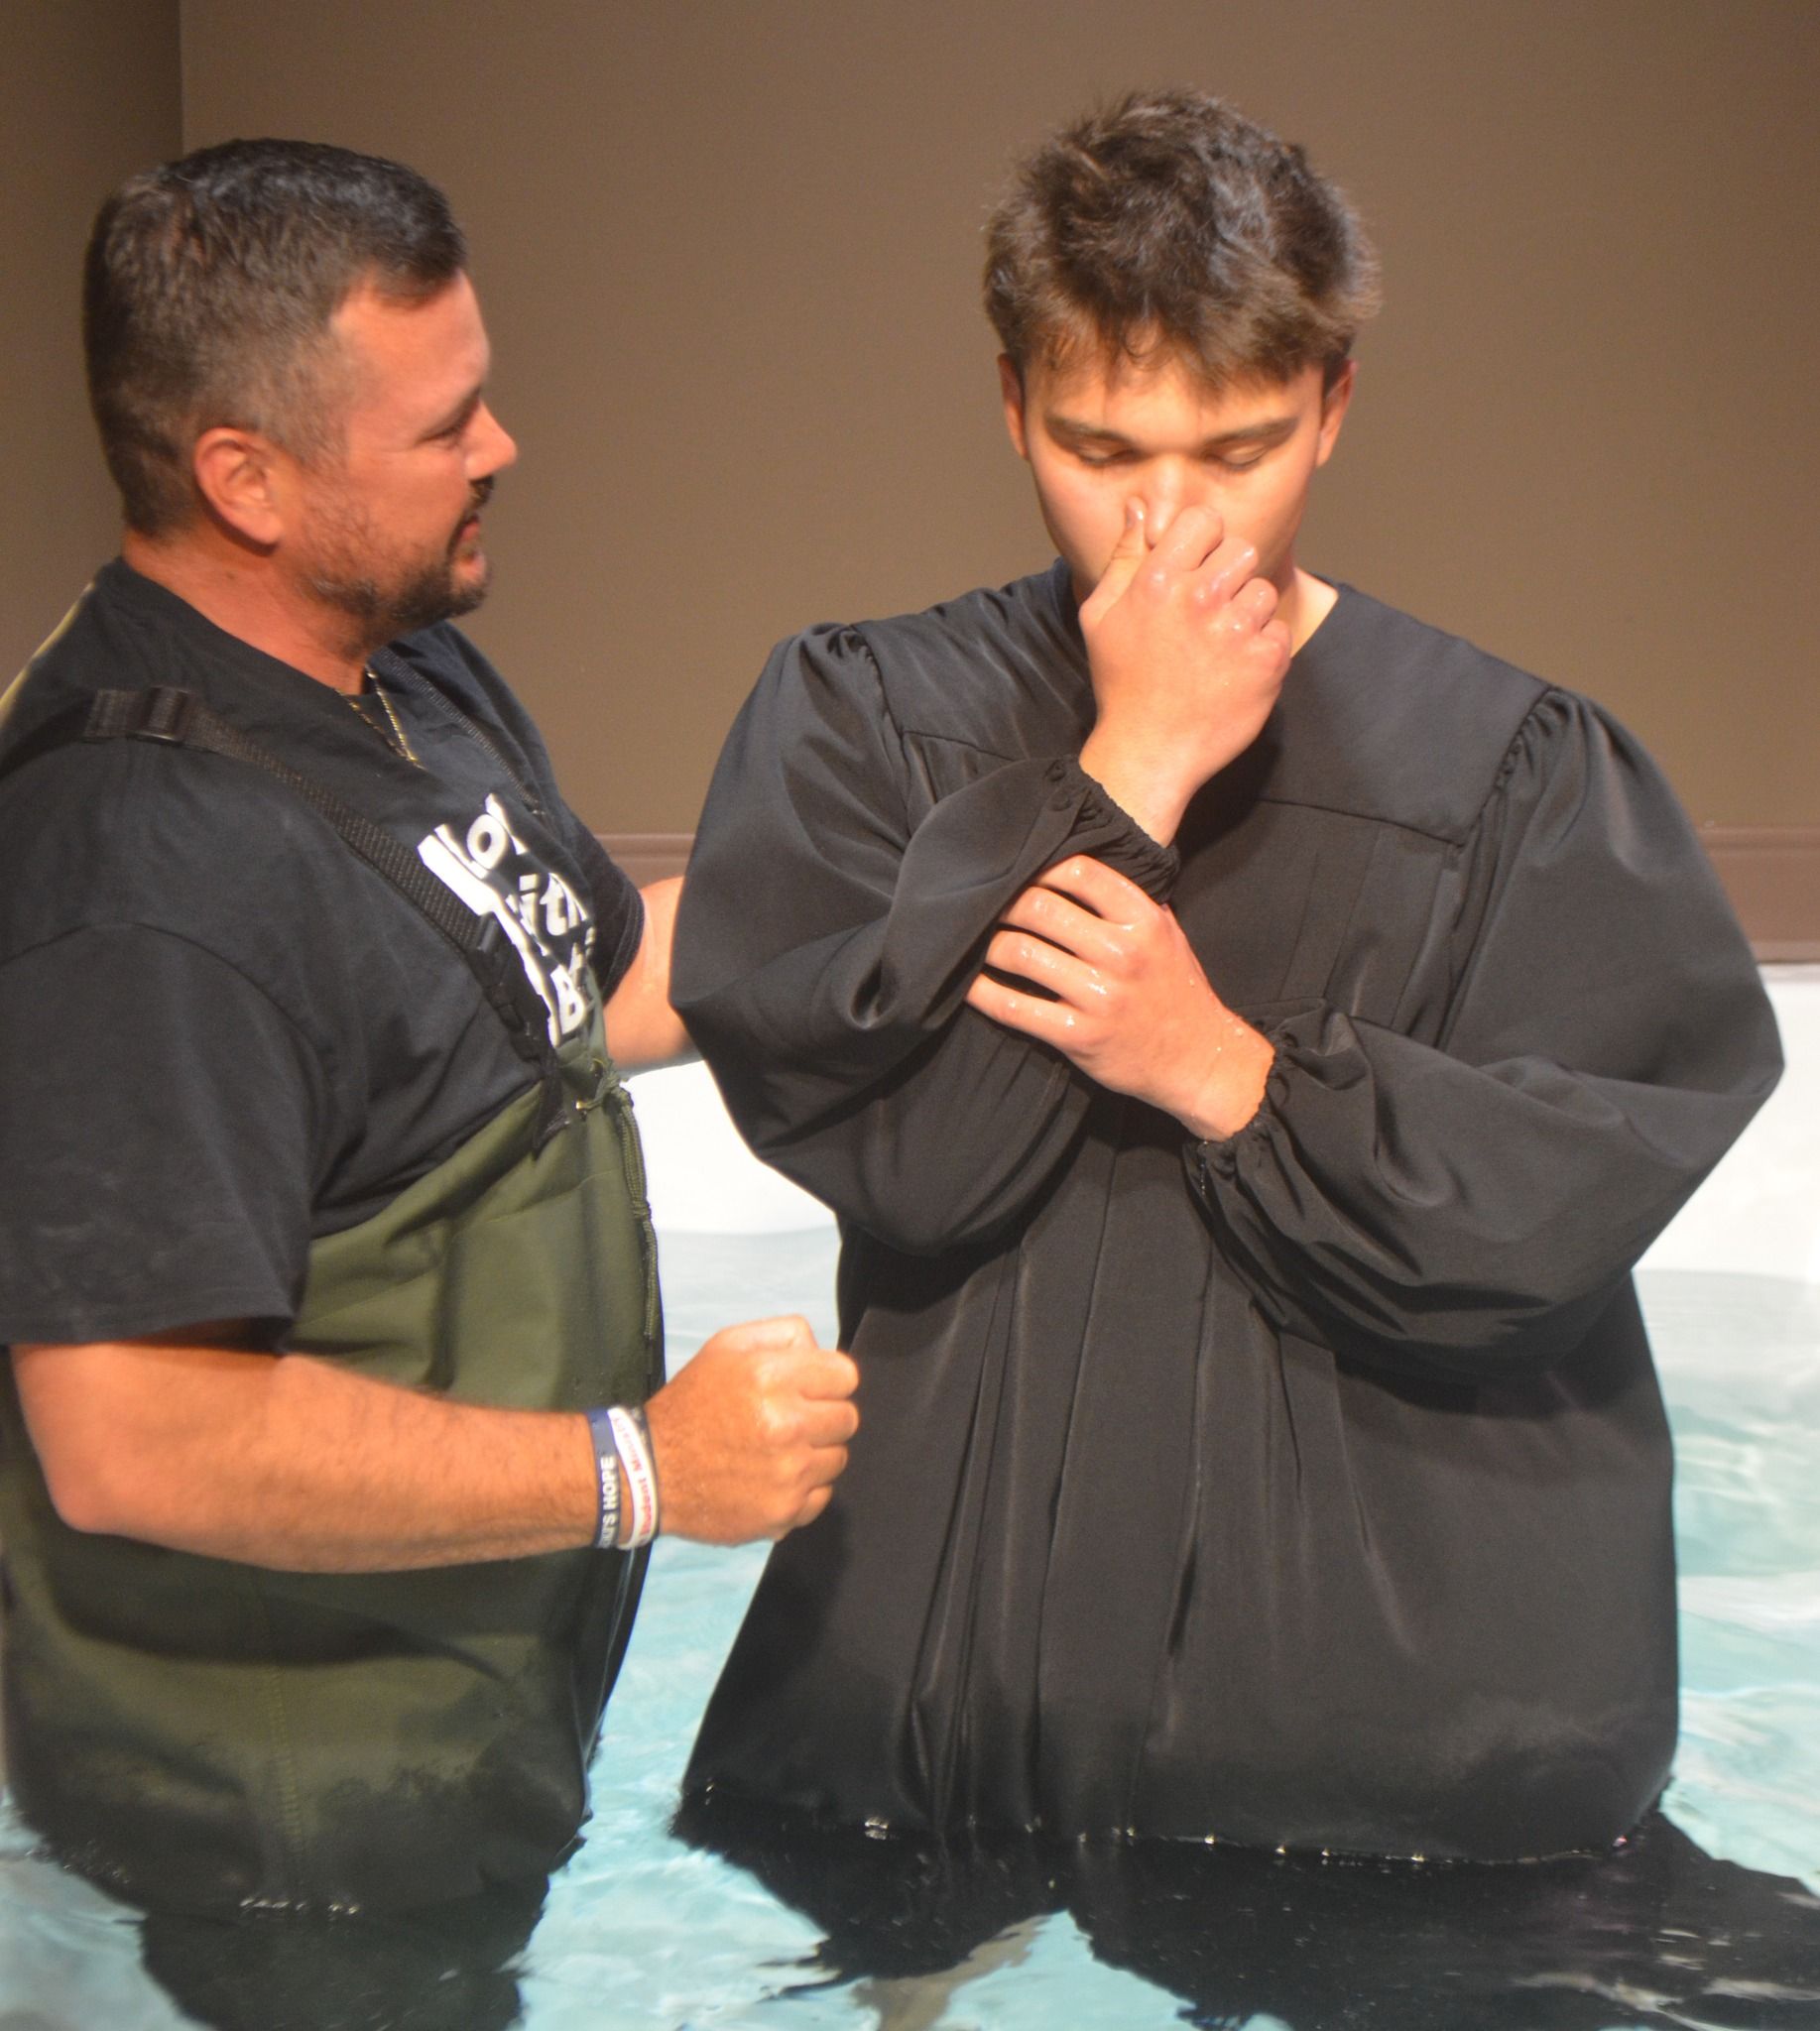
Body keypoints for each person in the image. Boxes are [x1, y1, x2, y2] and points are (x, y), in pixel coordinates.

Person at [670, 88, 1782, 1861]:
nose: (1168, 529)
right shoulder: (862, 720)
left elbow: (1561, 1216)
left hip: (1387, 1728)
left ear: (1334, 406)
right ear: (1012, 402)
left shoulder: (1521, 773)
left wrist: (1227, 1073)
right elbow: (909, 1161)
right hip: (957, 1693)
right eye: (1103, 456)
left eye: (1238, 451)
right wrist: (1133, 772)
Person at [0, 137, 859, 1920]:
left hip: (460, 1733)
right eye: (443, 422)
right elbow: (132, 1431)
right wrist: (645, 1470)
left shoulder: (397, 665)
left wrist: (945, 903)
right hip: (277, 1839)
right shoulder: (135, 878)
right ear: (245, 476)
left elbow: (575, 989)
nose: (501, 448)